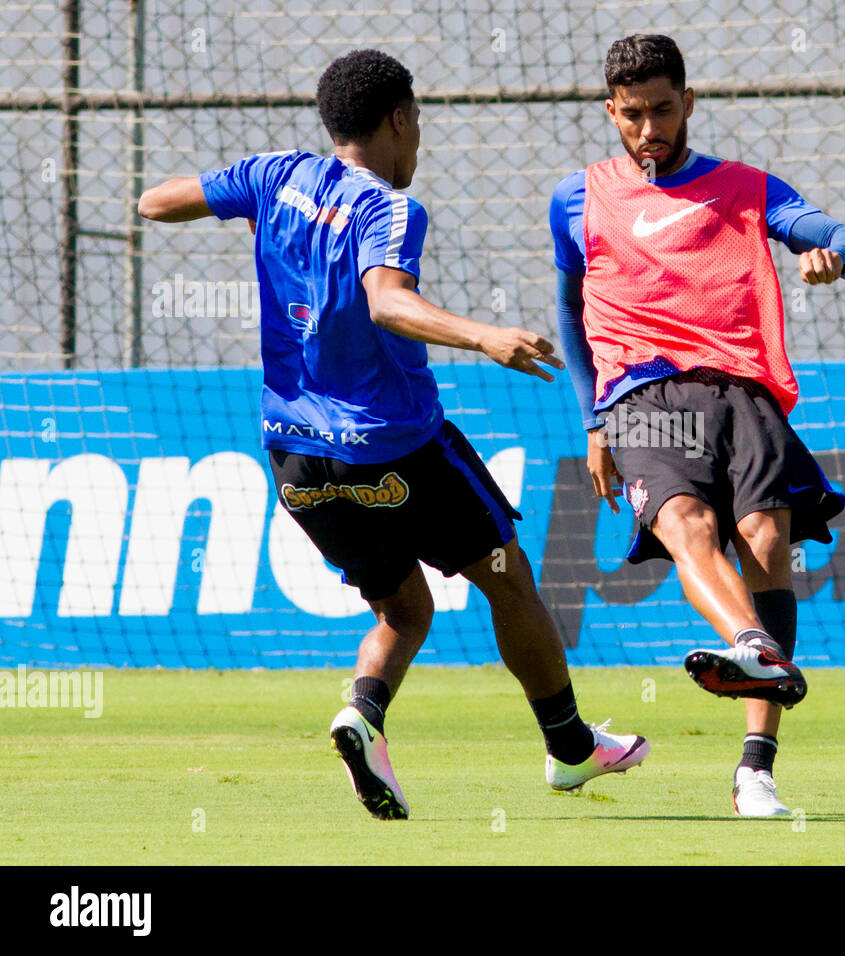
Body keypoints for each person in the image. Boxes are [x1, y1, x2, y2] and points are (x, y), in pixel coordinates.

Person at [137, 49, 647, 820]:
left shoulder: (275, 174)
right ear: (400, 119)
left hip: (297, 456)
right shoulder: (390, 209)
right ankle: (571, 748)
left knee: (403, 610)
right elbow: (386, 301)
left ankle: (363, 715)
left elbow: (155, 203)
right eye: (419, 125)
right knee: (507, 578)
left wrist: (246, 208)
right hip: (397, 446)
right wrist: (485, 338)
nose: (420, 142)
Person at [549, 34, 845, 817]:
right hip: (639, 393)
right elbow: (569, 305)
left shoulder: (745, 187)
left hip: (742, 390)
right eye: (633, 115)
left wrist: (830, 253)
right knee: (687, 524)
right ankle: (756, 647)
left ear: (688, 103)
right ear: (611, 113)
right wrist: (593, 418)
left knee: (765, 541)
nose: (649, 127)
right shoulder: (577, 196)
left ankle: (755, 768)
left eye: (663, 109)